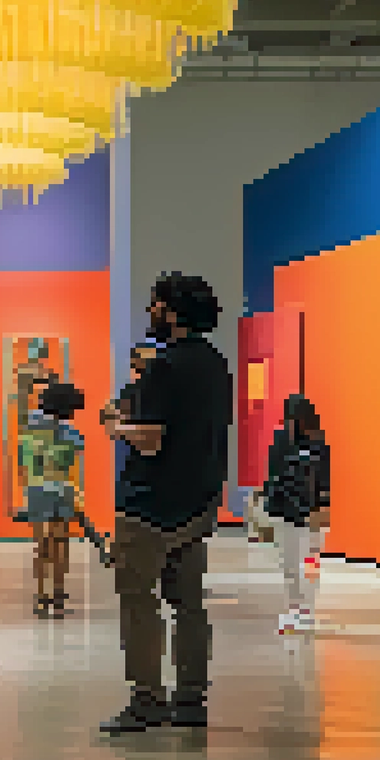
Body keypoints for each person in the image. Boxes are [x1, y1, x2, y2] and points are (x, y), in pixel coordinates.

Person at [101, 272, 232, 734]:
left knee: (139, 603)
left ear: (172, 311)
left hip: (149, 506)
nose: (150, 311)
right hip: (198, 502)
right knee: (189, 604)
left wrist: (117, 428)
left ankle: (147, 699)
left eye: (155, 303)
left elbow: (152, 439)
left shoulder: (164, 367)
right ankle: (191, 698)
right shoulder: (216, 365)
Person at [13, 381, 88, 618]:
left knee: (42, 543)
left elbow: (24, 462)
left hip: (37, 489)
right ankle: (58, 593)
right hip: (62, 488)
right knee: (59, 541)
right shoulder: (68, 431)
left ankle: (41, 594)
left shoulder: (30, 427)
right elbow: (75, 458)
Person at [262, 394, 331, 634]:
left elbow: (324, 480)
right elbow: (273, 474)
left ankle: (306, 610)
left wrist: (323, 506)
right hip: (288, 512)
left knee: (307, 564)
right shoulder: (282, 441)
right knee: (290, 564)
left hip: (309, 513)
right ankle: (296, 609)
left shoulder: (318, 444)